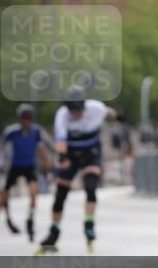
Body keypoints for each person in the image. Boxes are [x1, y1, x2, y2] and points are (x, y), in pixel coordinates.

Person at [36, 87, 116, 254]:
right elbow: (60, 141)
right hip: (71, 153)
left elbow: (109, 112)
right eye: (73, 111)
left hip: (91, 152)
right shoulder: (63, 114)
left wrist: (118, 116)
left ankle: (89, 225)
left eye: (79, 110)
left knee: (90, 187)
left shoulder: (96, 108)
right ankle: (54, 232)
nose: (76, 114)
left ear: (84, 106)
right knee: (60, 195)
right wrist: (63, 157)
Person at [0, 104, 54, 242]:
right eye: (23, 118)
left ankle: (30, 219)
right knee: (4, 195)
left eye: (28, 119)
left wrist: (47, 163)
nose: (26, 121)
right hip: (15, 166)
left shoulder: (36, 131)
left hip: (29, 166)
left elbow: (41, 149)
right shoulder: (12, 131)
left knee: (33, 193)